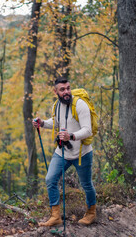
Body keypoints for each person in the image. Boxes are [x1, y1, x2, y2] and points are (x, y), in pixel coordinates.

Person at [32, 77, 96, 226]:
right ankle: (55, 216)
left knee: (86, 184)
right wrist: (42, 123)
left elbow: (88, 130)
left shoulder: (80, 105)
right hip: (62, 152)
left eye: (68, 88)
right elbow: (56, 122)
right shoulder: (57, 105)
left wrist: (71, 136)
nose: (66, 92)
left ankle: (91, 212)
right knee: (50, 180)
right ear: (56, 92)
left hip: (82, 154)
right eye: (62, 89)